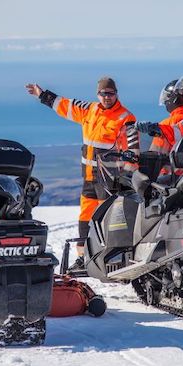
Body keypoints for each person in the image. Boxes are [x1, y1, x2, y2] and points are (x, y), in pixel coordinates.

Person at [25, 77, 137, 269]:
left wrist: (128, 179)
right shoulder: (89, 109)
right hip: (89, 177)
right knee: (85, 217)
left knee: (107, 218)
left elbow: (133, 153)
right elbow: (66, 105)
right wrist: (42, 95)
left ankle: (111, 258)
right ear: (98, 94)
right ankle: (82, 258)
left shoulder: (126, 117)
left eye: (110, 93)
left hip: (109, 180)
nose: (106, 97)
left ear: (116, 94)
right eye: (103, 94)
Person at [149, 79, 183, 155]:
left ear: (174, 99)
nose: (165, 102)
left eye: (167, 97)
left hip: (171, 166)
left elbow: (155, 153)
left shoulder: (166, 124)